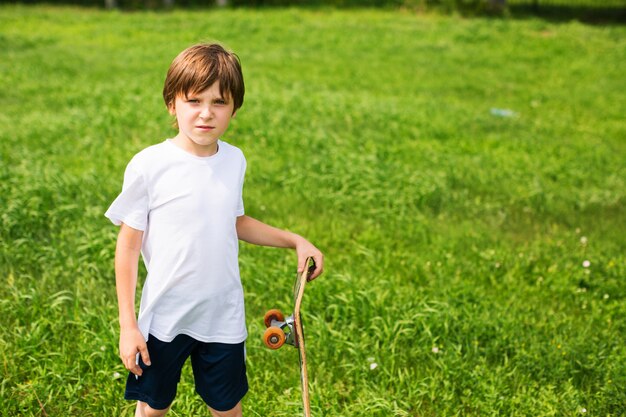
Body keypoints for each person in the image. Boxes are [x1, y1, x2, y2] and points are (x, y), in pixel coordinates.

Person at [105, 43, 323, 417]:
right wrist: (129, 325)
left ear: (234, 108)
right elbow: (126, 248)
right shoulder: (150, 165)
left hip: (221, 315)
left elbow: (235, 221)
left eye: (219, 102)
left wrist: (295, 241)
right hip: (165, 319)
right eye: (194, 101)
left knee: (227, 407)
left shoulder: (234, 160)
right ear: (172, 104)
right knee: (154, 406)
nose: (206, 113)